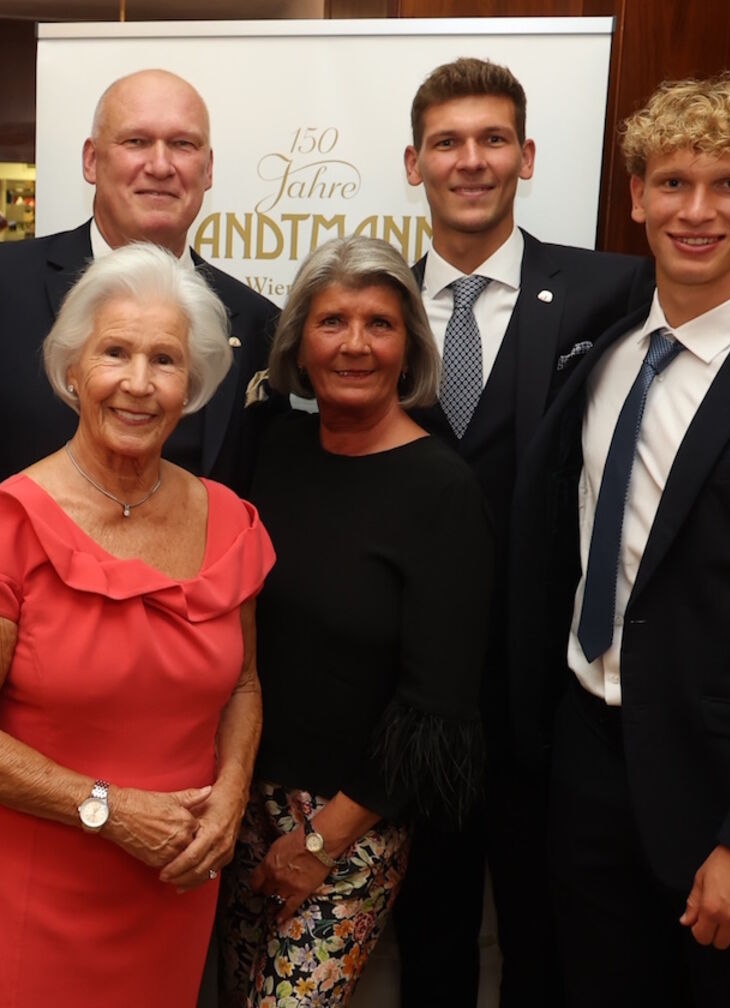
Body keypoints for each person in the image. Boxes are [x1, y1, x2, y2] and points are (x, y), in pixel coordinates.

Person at [392, 57, 730, 1007]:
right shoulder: (609, 343)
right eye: (673, 183)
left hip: (724, 791)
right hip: (583, 767)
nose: (696, 210)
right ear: (636, 197)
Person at [0, 242, 273, 1006]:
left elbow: (243, 684)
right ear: (73, 370)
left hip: (173, 885)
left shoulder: (230, 520)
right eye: (115, 353)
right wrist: (110, 810)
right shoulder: (5, 521)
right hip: (37, 893)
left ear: (195, 384)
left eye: (166, 360)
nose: (138, 384)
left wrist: (233, 789)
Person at [219, 236, 492, 1005]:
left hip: (352, 820)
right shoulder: (271, 449)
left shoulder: (442, 491)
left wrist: (321, 840)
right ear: (299, 344)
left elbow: (438, 709)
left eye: (380, 324)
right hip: (236, 798)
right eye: (332, 322)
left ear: (409, 348)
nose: (355, 345)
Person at [0, 69, 276, 489]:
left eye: (183, 144)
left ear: (208, 169)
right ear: (91, 160)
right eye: (136, 141)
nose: (160, 165)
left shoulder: (254, 320)